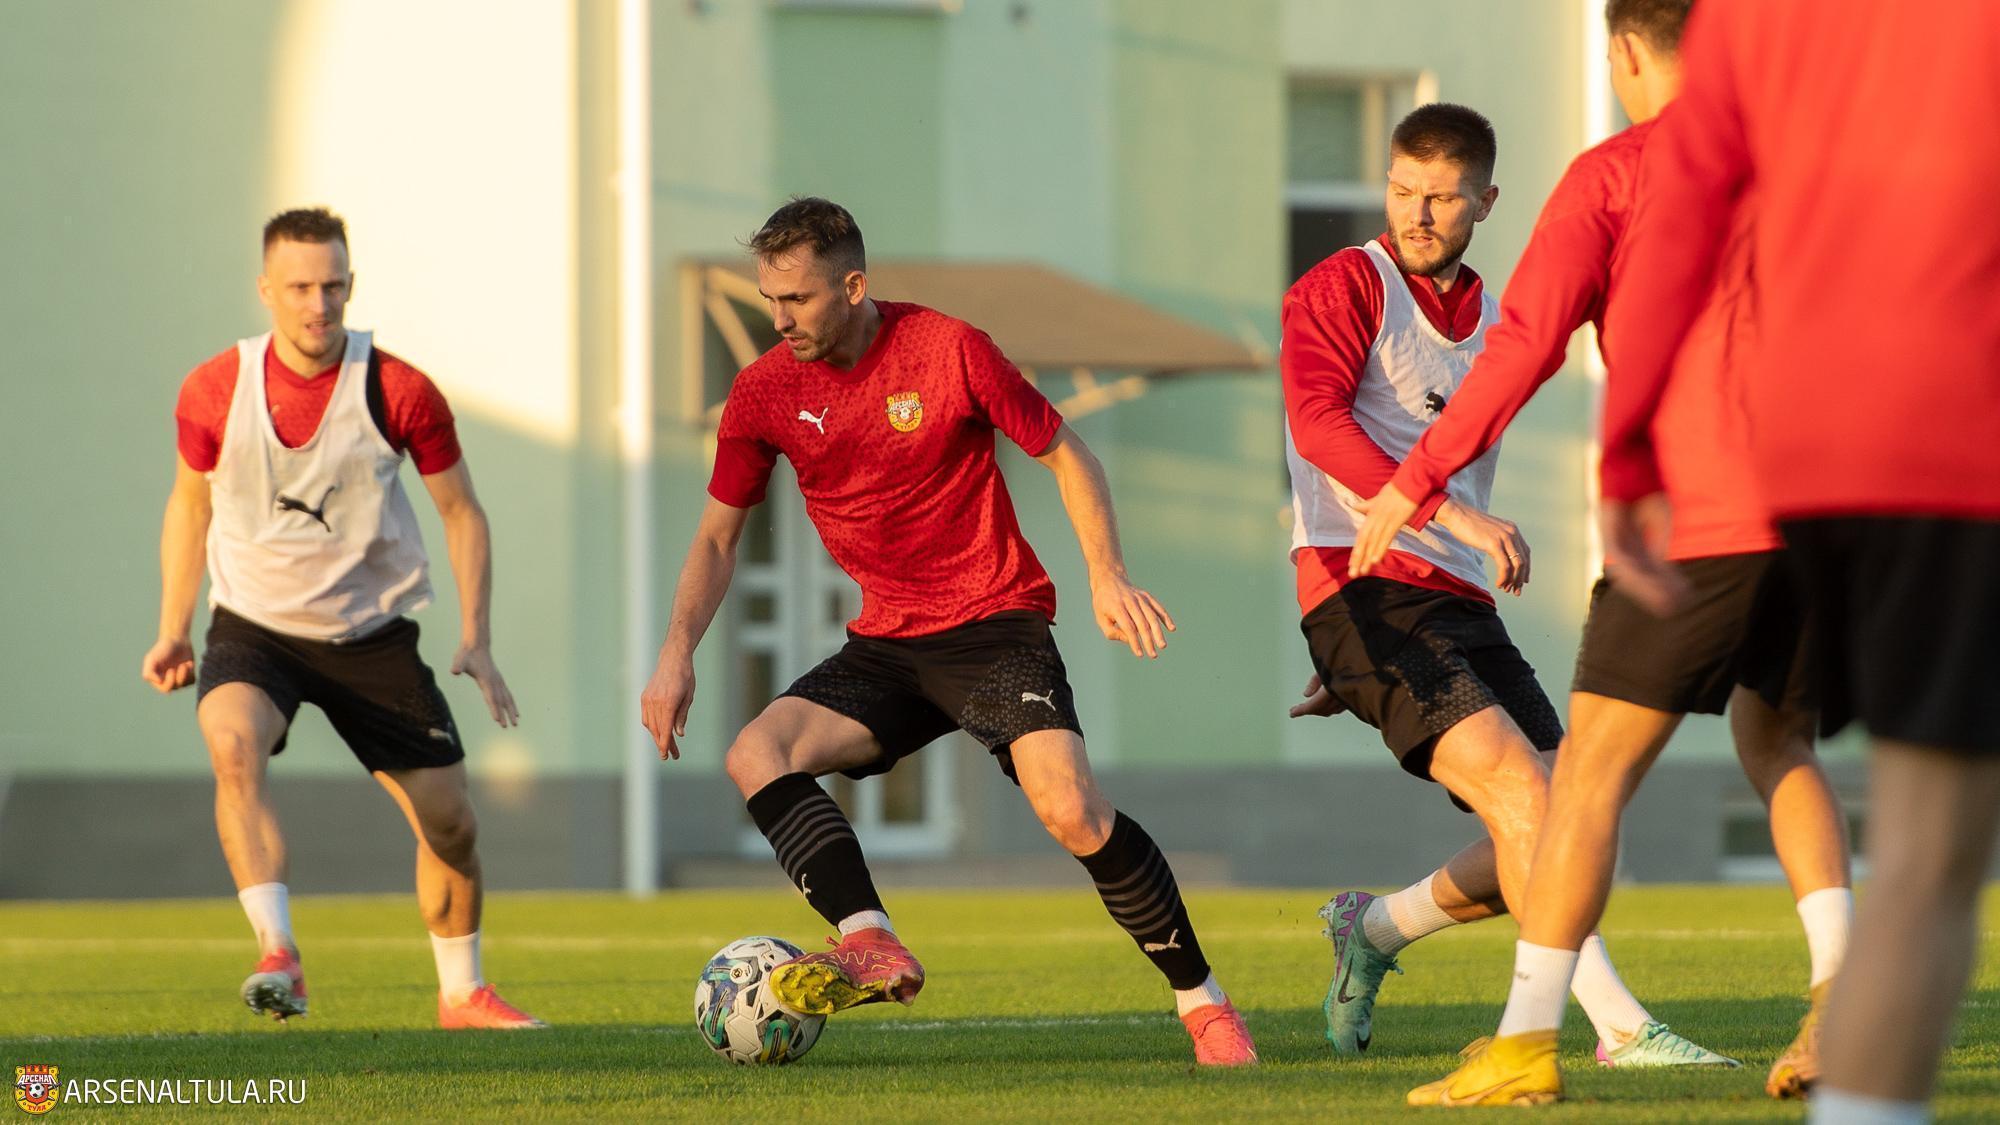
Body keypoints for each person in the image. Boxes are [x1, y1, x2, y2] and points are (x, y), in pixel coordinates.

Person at [1343, 3, 1851, 1106]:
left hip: (1693, 522)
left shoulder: (1614, 174)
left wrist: (1418, 476)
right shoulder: (1800, 158)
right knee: (1779, 743)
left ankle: (1526, 1044)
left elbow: (1524, 344)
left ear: (1622, 49)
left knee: (1582, 782)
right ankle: (1840, 994)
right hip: (1822, 518)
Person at [640, 197, 1256, 1066]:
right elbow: (716, 537)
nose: (778, 319)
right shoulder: (764, 390)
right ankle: (868, 936)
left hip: (992, 624)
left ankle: (1205, 1004)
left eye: (798, 299)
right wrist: (675, 654)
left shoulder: (947, 349)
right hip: (887, 644)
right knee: (756, 752)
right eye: (769, 299)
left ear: (854, 287)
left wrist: (1106, 574)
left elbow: (1067, 453)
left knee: (1072, 808)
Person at [1592, 3, 2000, 1122]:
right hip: (1960, 437)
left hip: (1824, 449)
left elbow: (1679, 225)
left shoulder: (1746, 22)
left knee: (1917, 853)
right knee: (1933, 855)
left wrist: (1628, 447)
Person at [1282, 103, 1731, 1073]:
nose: (1417, 213)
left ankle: (1374, 929)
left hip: (1453, 604)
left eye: (1443, 197)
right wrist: (1444, 524)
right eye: (1403, 190)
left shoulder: (1500, 319)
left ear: (1486, 201)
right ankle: (1620, 1029)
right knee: (1527, 796)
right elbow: (1316, 427)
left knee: (1568, 818)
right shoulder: (1343, 285)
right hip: (1359, 587)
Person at [140, 207, 544, 1030]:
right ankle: (277, 952)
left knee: (451, 823)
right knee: (231, 742)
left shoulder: (400, 390)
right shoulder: (214, 389)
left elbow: (462, 511)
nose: (318, 304)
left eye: (332, 286)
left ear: (351, 284)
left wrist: (477, 635)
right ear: (265, 289)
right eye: (299, 287)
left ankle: (461, 993)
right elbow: (189, 505)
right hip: (255, 627)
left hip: (370, 635)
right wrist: (173, 626)